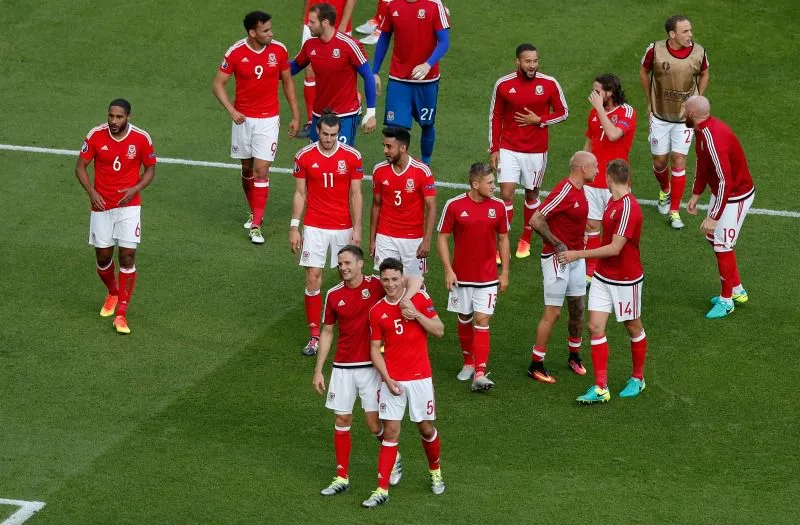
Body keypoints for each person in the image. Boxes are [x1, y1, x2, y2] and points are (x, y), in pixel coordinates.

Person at [311, 245, 403, 496]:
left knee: (373, 424)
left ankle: (393, 454)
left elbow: (406, 285)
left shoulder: (377, 285)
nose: (343, 268)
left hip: (371, 367)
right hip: (342, 367)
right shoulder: (333, 295)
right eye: (340, 264)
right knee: (342, 420)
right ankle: (342, 477)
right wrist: (319, 370)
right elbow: (327, 332)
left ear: (360, 263)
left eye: (347, 263)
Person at [559, 160, 648, 404]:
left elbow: (615, 248)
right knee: (595, 326)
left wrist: (578, 254)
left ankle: (638, 378)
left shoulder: (629, 208)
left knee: (632, 326)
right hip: (603, 276)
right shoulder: (612, 201)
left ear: (609, 178)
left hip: (626, 280)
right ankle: (601, 387)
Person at [362, 257, 445, 508]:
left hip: (420, 378)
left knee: (426, 429)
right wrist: (387, 379)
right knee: (390, 432)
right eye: (385, 280)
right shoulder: (376, 311)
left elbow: (439, 330)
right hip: (394, 380)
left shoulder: (419, 299)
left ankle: (435, 471)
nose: (390, 284)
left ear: (402, 278)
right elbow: (375, 349)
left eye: (394, 279)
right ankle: (381, 489)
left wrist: (416, 314)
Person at [213, 10, 300, 245]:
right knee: (247, 168)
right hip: (243, 120)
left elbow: (288, 82)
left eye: (270, 29)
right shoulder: (236, 52)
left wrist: (295, 115)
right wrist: (232, 111)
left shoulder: (279, 50)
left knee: (261, 170)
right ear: (253, 33)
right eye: (266, 30)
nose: (271, 33)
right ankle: (254, 210)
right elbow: (218, 84)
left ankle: (256, 225)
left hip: (268, 120)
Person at [74, 99, 157, 335]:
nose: (113, 121)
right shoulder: (96, 135)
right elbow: (80, 167)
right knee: (103, 258)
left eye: (119, 117)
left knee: (127, 257)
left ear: (128, 117)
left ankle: (121, 314)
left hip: (129, 207)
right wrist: (92, 193)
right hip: (102, 206)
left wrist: (136, 188)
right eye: (111, 116)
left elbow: (151, 168)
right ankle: (113, 292)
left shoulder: (141, 138)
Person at [289, 113, 365, 356]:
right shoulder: (304, 156)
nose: (329, 139)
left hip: (343, 226)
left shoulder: (352, 157)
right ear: (317, 131)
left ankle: (352, 330)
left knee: (349, 277)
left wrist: (357, 227)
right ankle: (314, 335)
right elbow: (300, 193)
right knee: (313, 276)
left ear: (338, 133)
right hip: (315, 225)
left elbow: (356, 194)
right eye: (325, 134)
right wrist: (294, 226)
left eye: (333, 135)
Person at [489, 43, 569, 260]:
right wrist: (494, 148)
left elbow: (563, 112)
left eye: (535, 61)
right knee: (506, 194)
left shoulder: (549, 83)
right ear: (518, 61)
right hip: (509, 147)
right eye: (528, 61)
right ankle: (502, 243)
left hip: (536, 150)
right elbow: (495, 116)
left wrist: (540, 120)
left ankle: (525, 237)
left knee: (531, 193)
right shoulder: (504, 84)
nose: (532, 65)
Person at [437, 163, 509, 391]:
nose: (494, 186)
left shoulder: (498, 206)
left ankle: (480, 371)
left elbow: (503, 239)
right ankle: (468, 362)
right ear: (475, 184)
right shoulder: (454, 205)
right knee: (464, 318)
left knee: (482, 319)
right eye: (490, 183)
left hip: (487, 278)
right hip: (461, 277)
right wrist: (448, 270)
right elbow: (442, 237)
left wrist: (505, 272)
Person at [527, 152, 597, 384]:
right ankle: (536, 364)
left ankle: (574, 356)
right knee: (553, 313)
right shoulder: (564, 191)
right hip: (557, 259)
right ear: (583, 168)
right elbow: (536, 220)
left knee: (577, 308)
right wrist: (557, 243)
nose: (597, 171)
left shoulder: (581, 190)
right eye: (595, 167)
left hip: (576, 258)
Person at [685, 96, 756, 319]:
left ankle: (727, 301)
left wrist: (714, 216)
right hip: (724, 194)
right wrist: (697, 193)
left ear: (692, 114)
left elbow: (726, 180)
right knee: (713, 238)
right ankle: (736, 289)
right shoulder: (701, 131)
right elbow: (702, 162)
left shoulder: (712, 137)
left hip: (735, 196)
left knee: (722, 245)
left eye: (685, 109)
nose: (682, 112)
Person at [640, 14, 709, 230]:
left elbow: (705, 73)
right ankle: (665, 190)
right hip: (660, 115)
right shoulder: (655, 50)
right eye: (685, 31)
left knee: (679, 160)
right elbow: (644, 71)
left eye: (690, 30)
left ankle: (674, 211)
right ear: (672, 34)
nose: (690, 35)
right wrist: (649, 102)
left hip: (684, 118)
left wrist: (697, 99)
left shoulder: (699, 52)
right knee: (660, 162)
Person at [371, 0, 451, 165]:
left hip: (427, 80)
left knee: (427, 124)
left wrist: (428, 64)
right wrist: (375, 72)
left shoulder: (434, 5)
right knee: (395, 130)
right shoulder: (392, 5)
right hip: (399, 79)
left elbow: (444, 42)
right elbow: (384, 37)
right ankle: (397, 167)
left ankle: (425, 164)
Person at [291, 2, 377, 146]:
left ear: (325, 22)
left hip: (345, 114)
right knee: (316, 157)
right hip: (319, 113)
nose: (308, 24)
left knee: (342, 158)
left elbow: (368, 76)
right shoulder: (310, 45)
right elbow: (293, 68)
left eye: (312, 22)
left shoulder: (349, 45)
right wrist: (271, 66)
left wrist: (371, 113)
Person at [583, 74, 637, 281]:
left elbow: (614, 135)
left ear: (610, 92)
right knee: (591, 226)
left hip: (616, 182)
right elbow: (589, 143)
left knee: (616, 230)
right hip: (593, 180)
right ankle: (590, 272)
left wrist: (599, 109)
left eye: (598, 91)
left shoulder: (627, 111)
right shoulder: (593, 113)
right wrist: (581, 170)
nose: (594, 95)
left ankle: (617, 270)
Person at [370, 127, 437, 281]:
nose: (385, 151)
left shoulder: (422, 171)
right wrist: (373, 239)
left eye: (389, 147)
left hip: (413, 238)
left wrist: (427, 241)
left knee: (413, 283)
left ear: (403, 148)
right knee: (387, 281)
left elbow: (432, 207)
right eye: (384, 146)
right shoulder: (379, 170)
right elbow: (376, 205)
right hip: (386, 235)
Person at [297, 0, 357, 139]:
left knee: (342, 71)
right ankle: (312, 121)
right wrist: (306, 20)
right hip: (314, 20)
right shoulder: (311, 23)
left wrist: (343, 24)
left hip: (337, 23)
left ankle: (345, 113)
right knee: (309, 69)